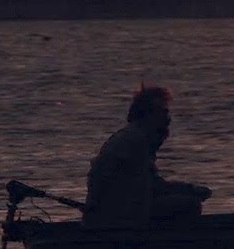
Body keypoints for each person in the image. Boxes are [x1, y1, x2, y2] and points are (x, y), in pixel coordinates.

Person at [82, 85, 211, 228]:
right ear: (147, 115)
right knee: (191, 204)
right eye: (163, 113)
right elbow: (154, 187)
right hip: (119, 218)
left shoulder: (132, 137)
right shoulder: (136, 141)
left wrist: (188, 189)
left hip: (116, 212)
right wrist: (191, 190)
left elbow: (151, 185)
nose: (168, 119)